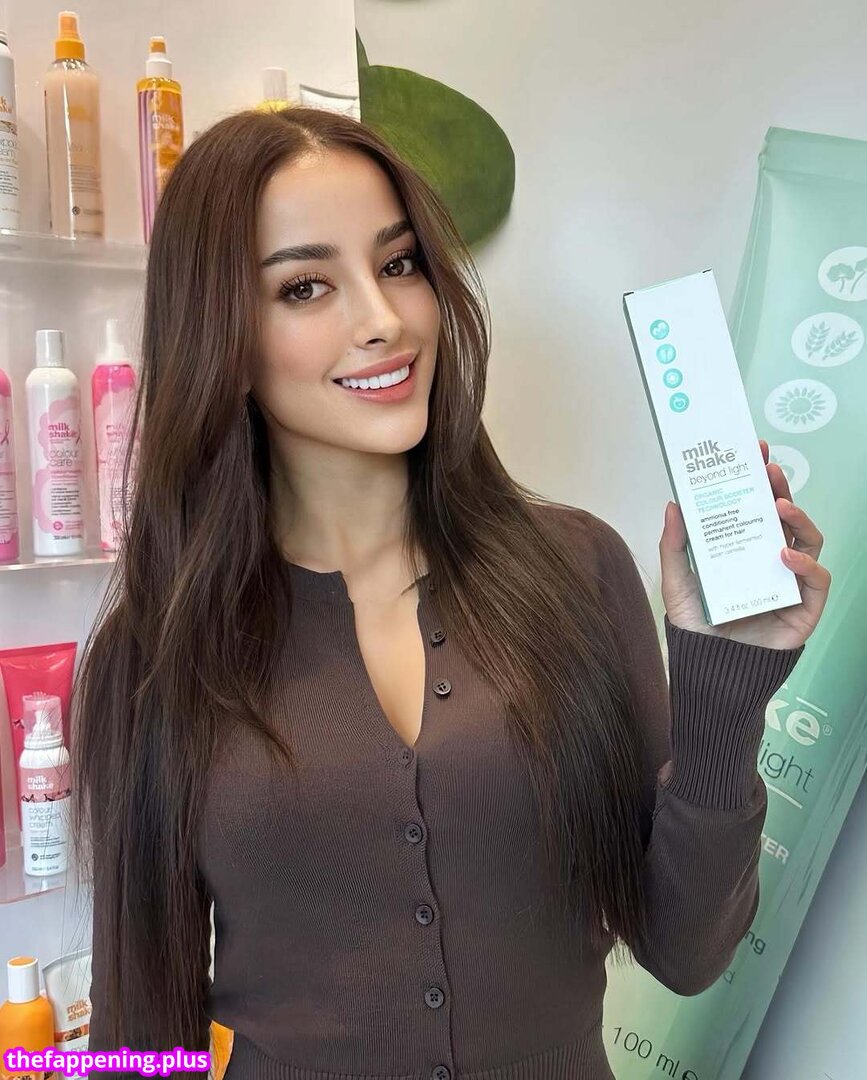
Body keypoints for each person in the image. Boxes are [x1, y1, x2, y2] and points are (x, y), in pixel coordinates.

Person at [70, 107, 830, 1080]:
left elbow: (688, 951)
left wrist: (723, 686)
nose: (383, 319)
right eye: (305, 286)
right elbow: (140, 1034)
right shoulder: (155, 654)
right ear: (221, 333)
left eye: (397, 264)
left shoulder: (576, 570)